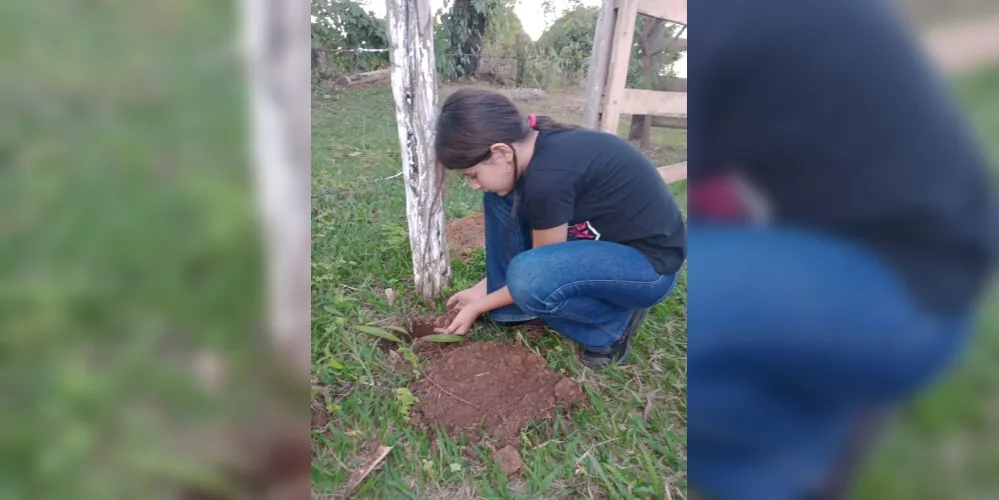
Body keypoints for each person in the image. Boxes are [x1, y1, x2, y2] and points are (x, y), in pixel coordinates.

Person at [687, 0, 999, 498]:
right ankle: (809, 435)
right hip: (880, 249)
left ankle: (795, 463)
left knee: (689, 295)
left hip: (916, 282)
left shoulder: (722, 21)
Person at [431, 87, 687, 368]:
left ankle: (612, 326)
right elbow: (544, 255)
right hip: (607, 250)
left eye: (473, 175)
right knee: (499, 196)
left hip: (648, 269)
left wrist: (480, 304)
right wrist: (484, 290)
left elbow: (540, 270)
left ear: (501, 151)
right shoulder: (533, 151)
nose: (473, 184)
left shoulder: (548, 179)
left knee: (530, 280)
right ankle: (516, 310)